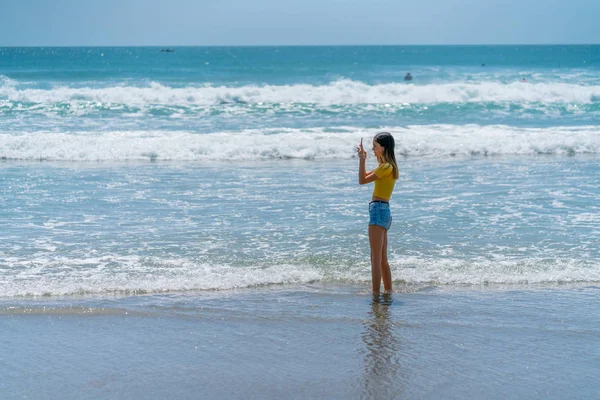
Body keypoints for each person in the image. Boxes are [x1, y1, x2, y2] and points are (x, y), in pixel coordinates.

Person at [357, 132, 399, 295]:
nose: (373, 149)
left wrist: (362, 160)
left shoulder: (385, 167)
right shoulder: (388, 166)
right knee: (382, 258)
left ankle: (375, 294)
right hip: (384, 209)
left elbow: (362, 180)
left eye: (375, 146)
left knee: (375, 258)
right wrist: (364, 159)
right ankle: (388, 291)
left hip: (378, 209)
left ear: (384, 147)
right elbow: (365, 177)